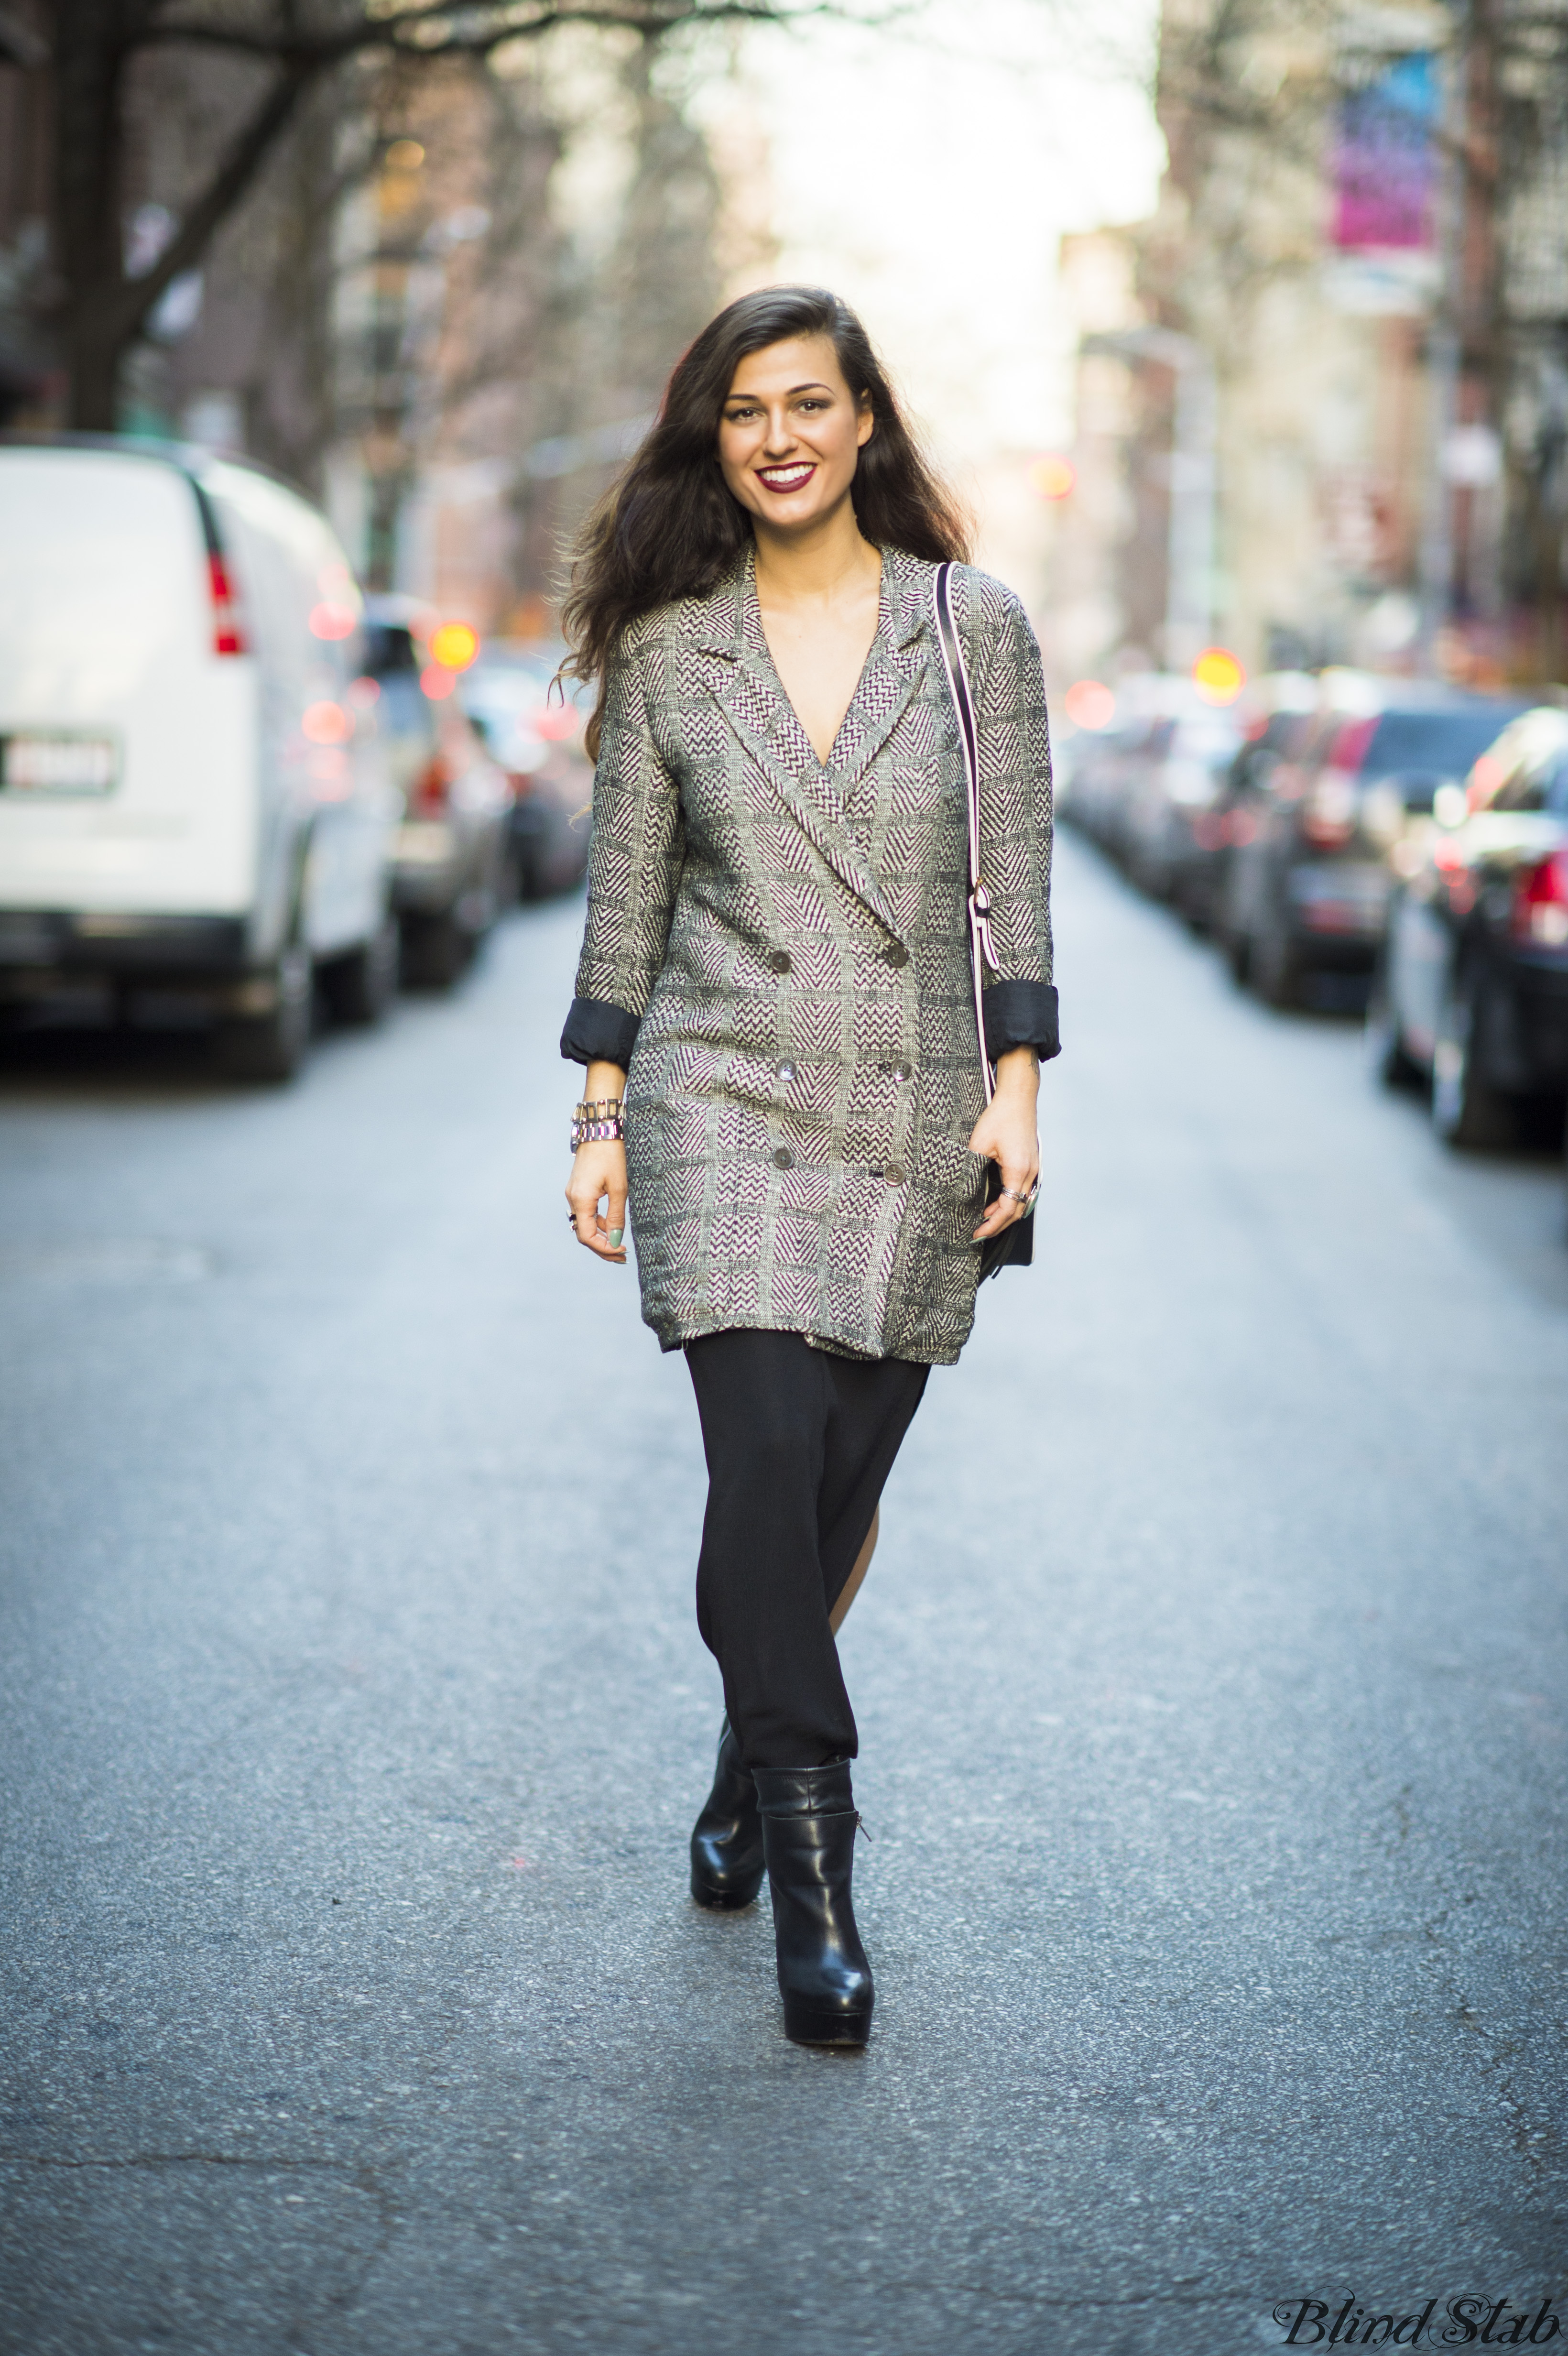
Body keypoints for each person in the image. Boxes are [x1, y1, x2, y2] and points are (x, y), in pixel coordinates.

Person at [559, 285, 1057, 2049]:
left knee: (822, 1502)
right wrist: (604, 1111)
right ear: (718, 437)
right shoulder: (675, 649)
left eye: (809, 404)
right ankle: (817, 1868)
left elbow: (1014, 872)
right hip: (723, 1094)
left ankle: (742, 1743)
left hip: (917, 1106)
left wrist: (1020, 1088)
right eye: (745, 410)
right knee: (764, 1452)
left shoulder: (972, 628)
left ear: (865, 424)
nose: (777, 436)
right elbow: (629, 900)